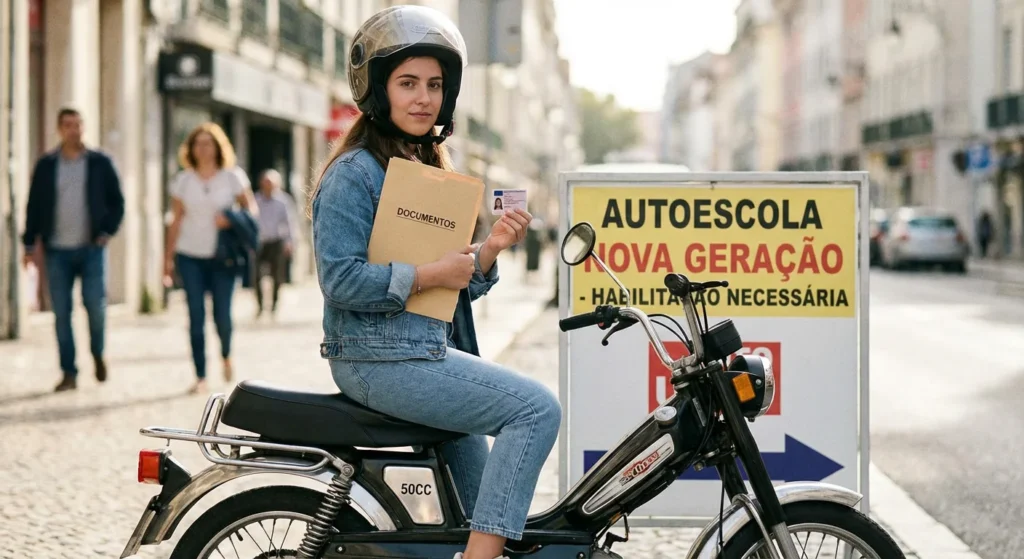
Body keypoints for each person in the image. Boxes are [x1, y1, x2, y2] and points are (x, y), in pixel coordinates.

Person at [307, 7, 560, 559]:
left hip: (419, 352)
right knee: (537, 409)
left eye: (435, 85)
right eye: (408, 83)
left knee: (479, 525)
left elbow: (445, 283)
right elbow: (340, 279)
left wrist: (486, 252)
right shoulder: (354, 173)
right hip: (376, 360)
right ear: (377, 89)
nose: (424, 98)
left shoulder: (424, 166)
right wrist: (428, 274)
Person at [21, 107, 125, 392]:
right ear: (59, 129)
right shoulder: (46, 165)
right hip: (57, 250)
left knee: (95, 306)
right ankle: (69, 372)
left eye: (78, 124)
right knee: (61, 313)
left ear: (84, 127)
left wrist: (106, 232)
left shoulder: (100, 162)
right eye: (67, 125)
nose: (73, 130)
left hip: (92, 249)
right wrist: (29, 243)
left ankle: (97, 353)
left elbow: (118, 202)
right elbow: (33, 207)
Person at [164, 122, 258, 395]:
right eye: (198, 143)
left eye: (208, 143)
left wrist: (231, 219)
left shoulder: (232, 177)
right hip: (190, 255)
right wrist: (167, 261)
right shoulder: (183, 180)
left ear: (218, 147)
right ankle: (201, 375)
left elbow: (251, 211)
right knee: (195, 316)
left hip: (223, 258)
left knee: (222, 316)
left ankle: (226, 354)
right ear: (191, 148)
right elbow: (175, 220)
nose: (203, 148)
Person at [253, 168, 297, 317]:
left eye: (271, 183)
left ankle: (274, 305)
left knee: (277, 275)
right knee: (256, 276)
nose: (268, 185)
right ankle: (260, 306)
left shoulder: (283, 201)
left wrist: (289, 242)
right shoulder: (255, 200)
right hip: (260, 242)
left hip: (277, 242)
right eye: (265, 182)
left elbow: (290, 222)